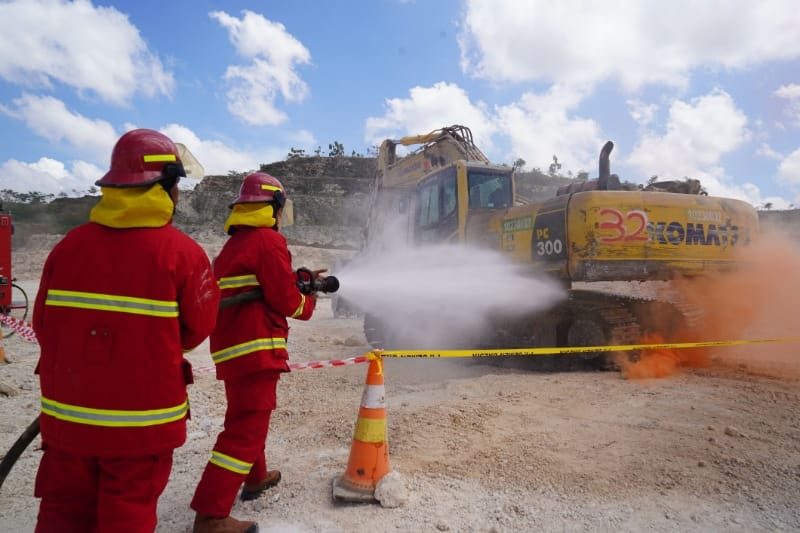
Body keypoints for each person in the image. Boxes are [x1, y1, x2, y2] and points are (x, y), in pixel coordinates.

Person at [32, 129, 221, 533]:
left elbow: (43, 326)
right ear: (166, 186)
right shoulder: (183, 254)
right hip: (140, 426)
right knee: (127, 515)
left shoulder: (68, 246)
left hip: (68, 420)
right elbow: (195, 331)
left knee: (62, 512)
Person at [190, 172, 322, 533]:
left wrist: (296, 280)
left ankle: (256, 477)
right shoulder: (268, 241)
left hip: (233, 350)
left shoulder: (235, 246)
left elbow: (262, 285)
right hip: (256, 348)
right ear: (275, 207)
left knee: (245, 417)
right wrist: (308, 299)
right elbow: (285, 299)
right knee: (246, 429)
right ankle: (210, 515)